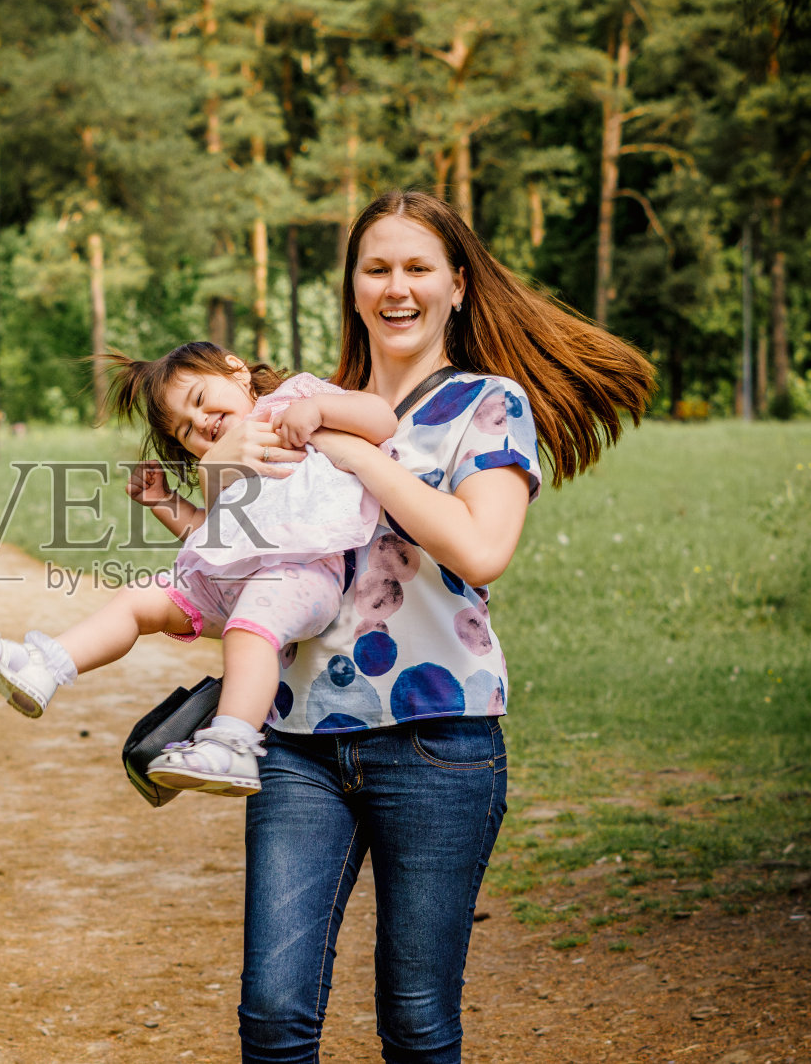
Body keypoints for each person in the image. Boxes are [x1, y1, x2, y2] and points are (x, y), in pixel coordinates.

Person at [213, 190, 654, 1063]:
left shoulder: (489, 405)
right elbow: (246, 571)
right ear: (351, 287)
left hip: (437, 741)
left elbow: (482, 547)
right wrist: (219, 475)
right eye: (376, 268)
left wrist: (357, 453)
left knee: (415, 1022)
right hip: (298, 739)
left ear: (458, 283)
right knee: (271, 1013)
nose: (396, 287)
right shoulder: (310, 406)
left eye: (418, 267)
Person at [0, 341, 398, 797]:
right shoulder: (225, 465)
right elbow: (219, 538)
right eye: (187, 429)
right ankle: (45, 666)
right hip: (230, 580)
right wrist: (165, 503)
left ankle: (233, 742)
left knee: (249, 628)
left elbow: (383, 419)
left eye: (200, 401)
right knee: (138, 600)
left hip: (304, 573)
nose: (201, 422)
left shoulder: (295, 397)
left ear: (237, 370)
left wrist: (318, 407)